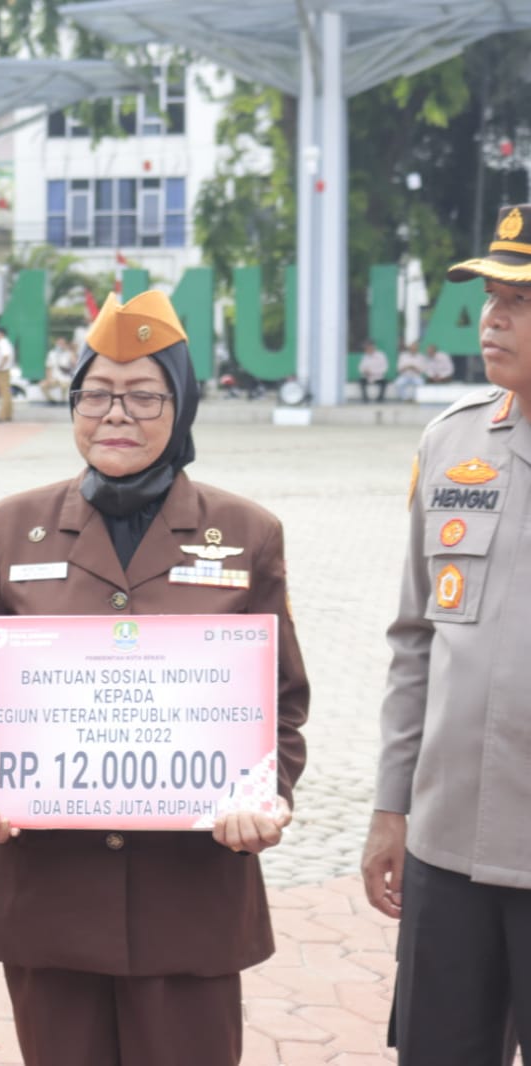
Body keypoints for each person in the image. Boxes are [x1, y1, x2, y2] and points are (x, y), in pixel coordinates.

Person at [0, 290, 307, 1065]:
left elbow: (278, 703)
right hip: (50, 892)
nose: (115, 414)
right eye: (95, 393)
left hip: (189, 895)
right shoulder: (13, 527)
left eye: (143, 395)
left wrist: (265, 791)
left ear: (183, 407)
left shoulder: (243, 534)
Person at [361, 203, 531, 1064]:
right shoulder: (452, 441)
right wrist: (391, 808)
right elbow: (413, 643)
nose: (492, 317)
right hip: (446, 845)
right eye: (491, 295)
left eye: (521, 300)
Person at [41, 334, 76, 404]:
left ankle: (63, 400)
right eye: (59, 343)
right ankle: (52, 400)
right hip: (54, 378)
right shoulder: (51, 354)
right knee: (42, 385)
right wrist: (48, 379)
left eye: (62, 343)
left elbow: (74, 363)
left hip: (65, 378)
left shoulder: (68, 353)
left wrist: (69, 351)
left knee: (64, 385)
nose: (60, 345)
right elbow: (48, 367)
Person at [0, 325, 16, 422]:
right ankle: (8, 415)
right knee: (7, 393)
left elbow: (5, 356)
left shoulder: (2, 343)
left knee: (4, 394)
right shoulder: (5, 343)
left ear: (0, 334)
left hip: (2, 371)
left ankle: (2, 416)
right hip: (4, 370)